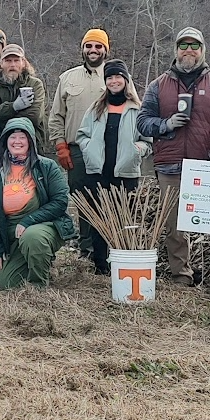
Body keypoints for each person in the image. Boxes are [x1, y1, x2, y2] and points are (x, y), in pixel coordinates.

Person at [136, 27, 210, 291]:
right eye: (183, 45)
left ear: (202, 50)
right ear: (176, 50)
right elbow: (142, 123)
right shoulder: (158, 85)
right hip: (170, 166)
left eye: (195, 45)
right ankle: (181, 275)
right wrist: (166, 124)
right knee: (174, 225)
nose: (189, 50)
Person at [74, 60, 151, 274]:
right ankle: (100, 264)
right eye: (109, 77)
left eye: (118, 77)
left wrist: (138, 150)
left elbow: (148, 140)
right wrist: (88, 148)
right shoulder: (96, 107)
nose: (114, 81)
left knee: (123, 218)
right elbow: (82, 134)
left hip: (125, 173)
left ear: (126, 80)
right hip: (99, 172)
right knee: (99, 219)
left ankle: (120, 261)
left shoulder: (137, 109)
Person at [0, 117, 75, 289]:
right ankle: (38, 259)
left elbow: (60, 201)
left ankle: (38, 284)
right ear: (5, 141)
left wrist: (28, 221)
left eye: (22, 137)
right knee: (4, 282)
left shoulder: (46, 166)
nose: (17, 141)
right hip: (11, 234)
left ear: (30, 140)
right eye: (12, 137)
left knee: (33, 237)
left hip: (43, 225)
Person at [48, 28, 111, 257]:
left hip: (108, 150)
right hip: (76, 150)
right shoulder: (67, 78)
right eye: (89, 46)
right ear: (82, 49)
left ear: (106, 50)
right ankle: (86, 249)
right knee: (83, 200)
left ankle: (106, 249)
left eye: (98, 46)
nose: (93, 50)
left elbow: (133, 110)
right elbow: (56, 115)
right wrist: (60, 145)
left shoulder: (117, 77)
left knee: (107, 198)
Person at [0, 43, 46, 157]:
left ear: (23, 63)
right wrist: (13, 107)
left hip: (31, 151)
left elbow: (34, 117)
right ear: (1, 64)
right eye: (8, 61)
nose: (12, 65)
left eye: (16, 60)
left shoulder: (35, 85)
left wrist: (0, 119)